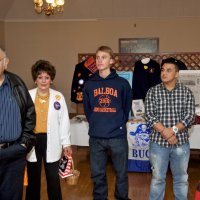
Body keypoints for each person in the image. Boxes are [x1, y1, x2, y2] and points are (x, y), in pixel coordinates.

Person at [83, 46, 132, 200]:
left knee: (121, 173)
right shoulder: (89, 84)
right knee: (97, 174)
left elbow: (126, 108)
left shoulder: (122, 83)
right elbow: (88, 110)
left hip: (117, 135)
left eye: (103, 57)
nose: (99, 60)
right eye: (97, 57)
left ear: (111, 61)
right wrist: (97, 123)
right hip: (96, 137)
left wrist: (117, 123)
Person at [145, 57, 195, 200]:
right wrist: (165, 133)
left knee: (181, 179)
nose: (164, 73)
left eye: (168, 70)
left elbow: (189, 116)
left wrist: (172, 130)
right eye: (162, 70)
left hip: (180, 144)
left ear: (177, 73)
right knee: (157, 179)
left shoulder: (186, 92)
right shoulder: (152, 92)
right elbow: (149, 115)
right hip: (158, 144)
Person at [26, 60, 72, 200]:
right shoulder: (27, 95)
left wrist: (66, 143)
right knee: (33, 180)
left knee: (53, 179)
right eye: (40, 77)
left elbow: (64, 121)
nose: (43, 81)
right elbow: (22, 120)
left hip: (51, 141)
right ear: (35, 79)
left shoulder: (58, 97)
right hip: (32, 141)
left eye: (47, 77)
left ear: (51, 79)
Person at [0, 48, 36, 200]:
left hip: (13, 154)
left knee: (12, 196)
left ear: (5, 63)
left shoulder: (17, 83)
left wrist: (23, 144)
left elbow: (30, 114)